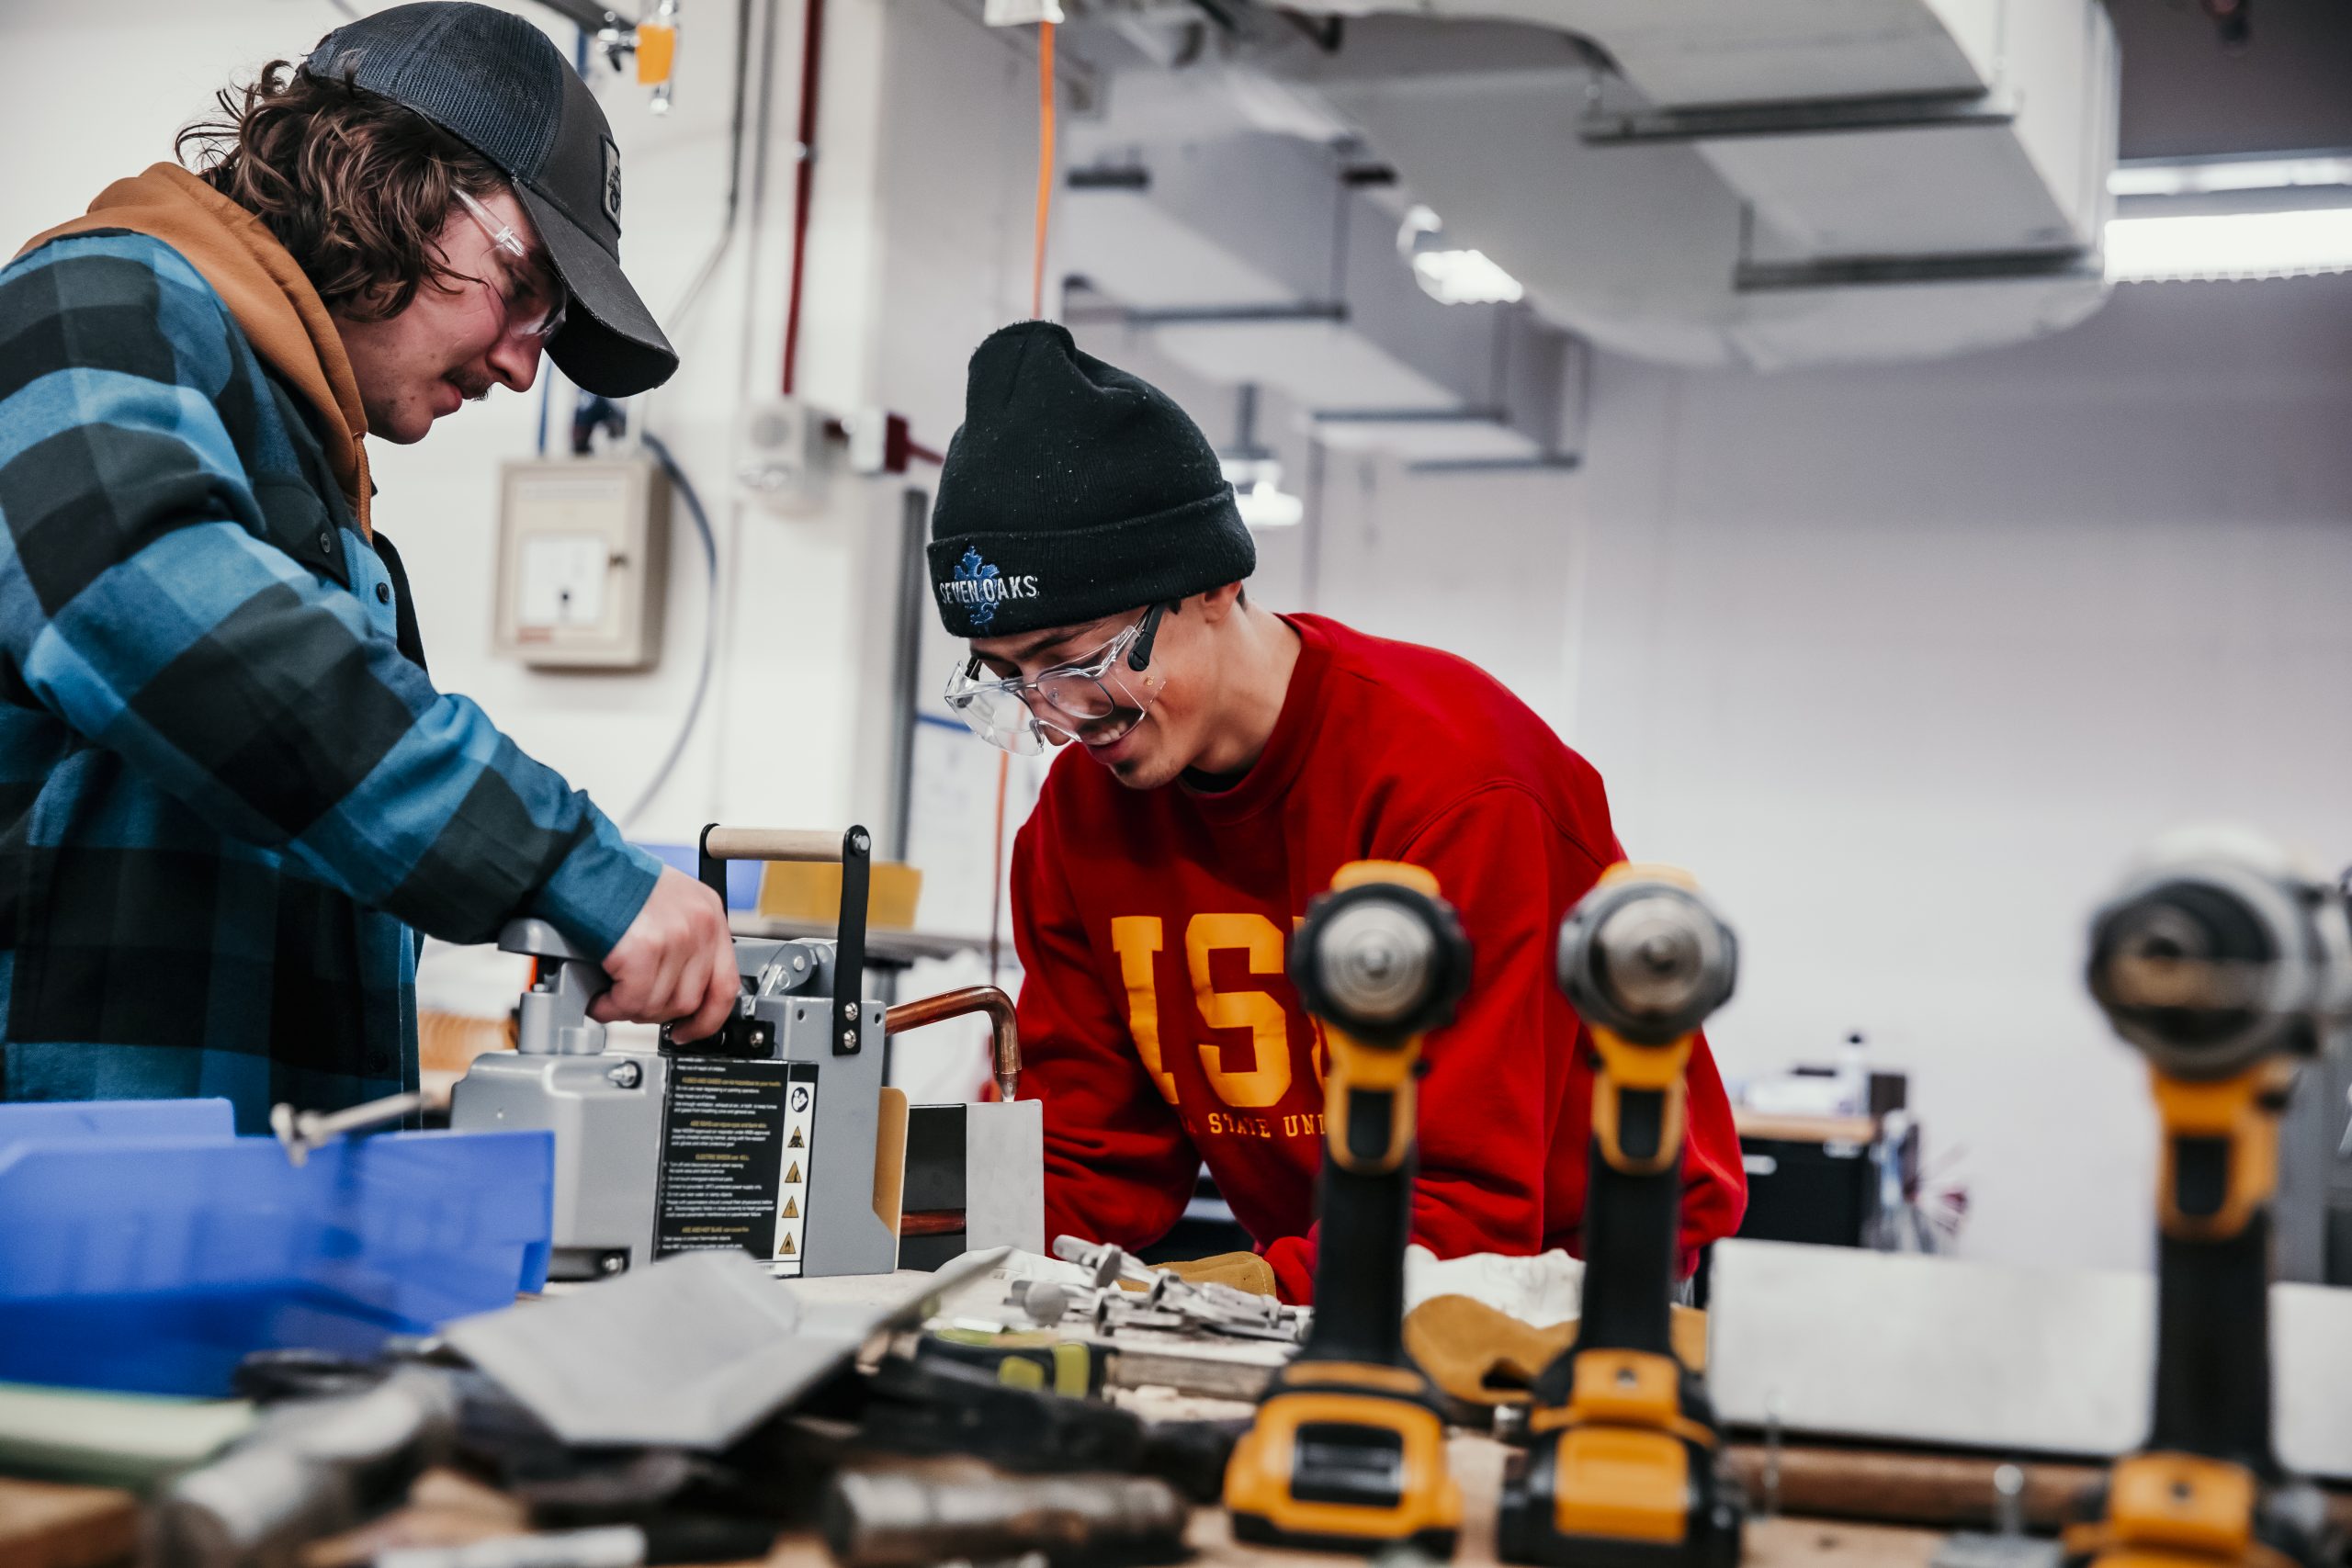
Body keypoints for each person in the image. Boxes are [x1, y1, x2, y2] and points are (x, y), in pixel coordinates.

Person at [0, 3, 737, 1128]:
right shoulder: (93, 304)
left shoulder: (296, 459)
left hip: (232, 1203)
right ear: (389, 184)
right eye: (527, 289)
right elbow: (142, 599)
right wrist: (570, 866)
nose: (523, 367)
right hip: (58, 1210)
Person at [930, 321, 1747, 1303]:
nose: (1059, 718)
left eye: (1081, 660)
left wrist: (1215, 1297)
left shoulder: (1458, 787)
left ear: (1215, 581)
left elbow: (1470, 1207)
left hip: (1567, 1286)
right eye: (1012, 682)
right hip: (1326, 1274)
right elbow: (1094, 1160)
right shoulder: (1077, 825)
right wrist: (974, 1281)